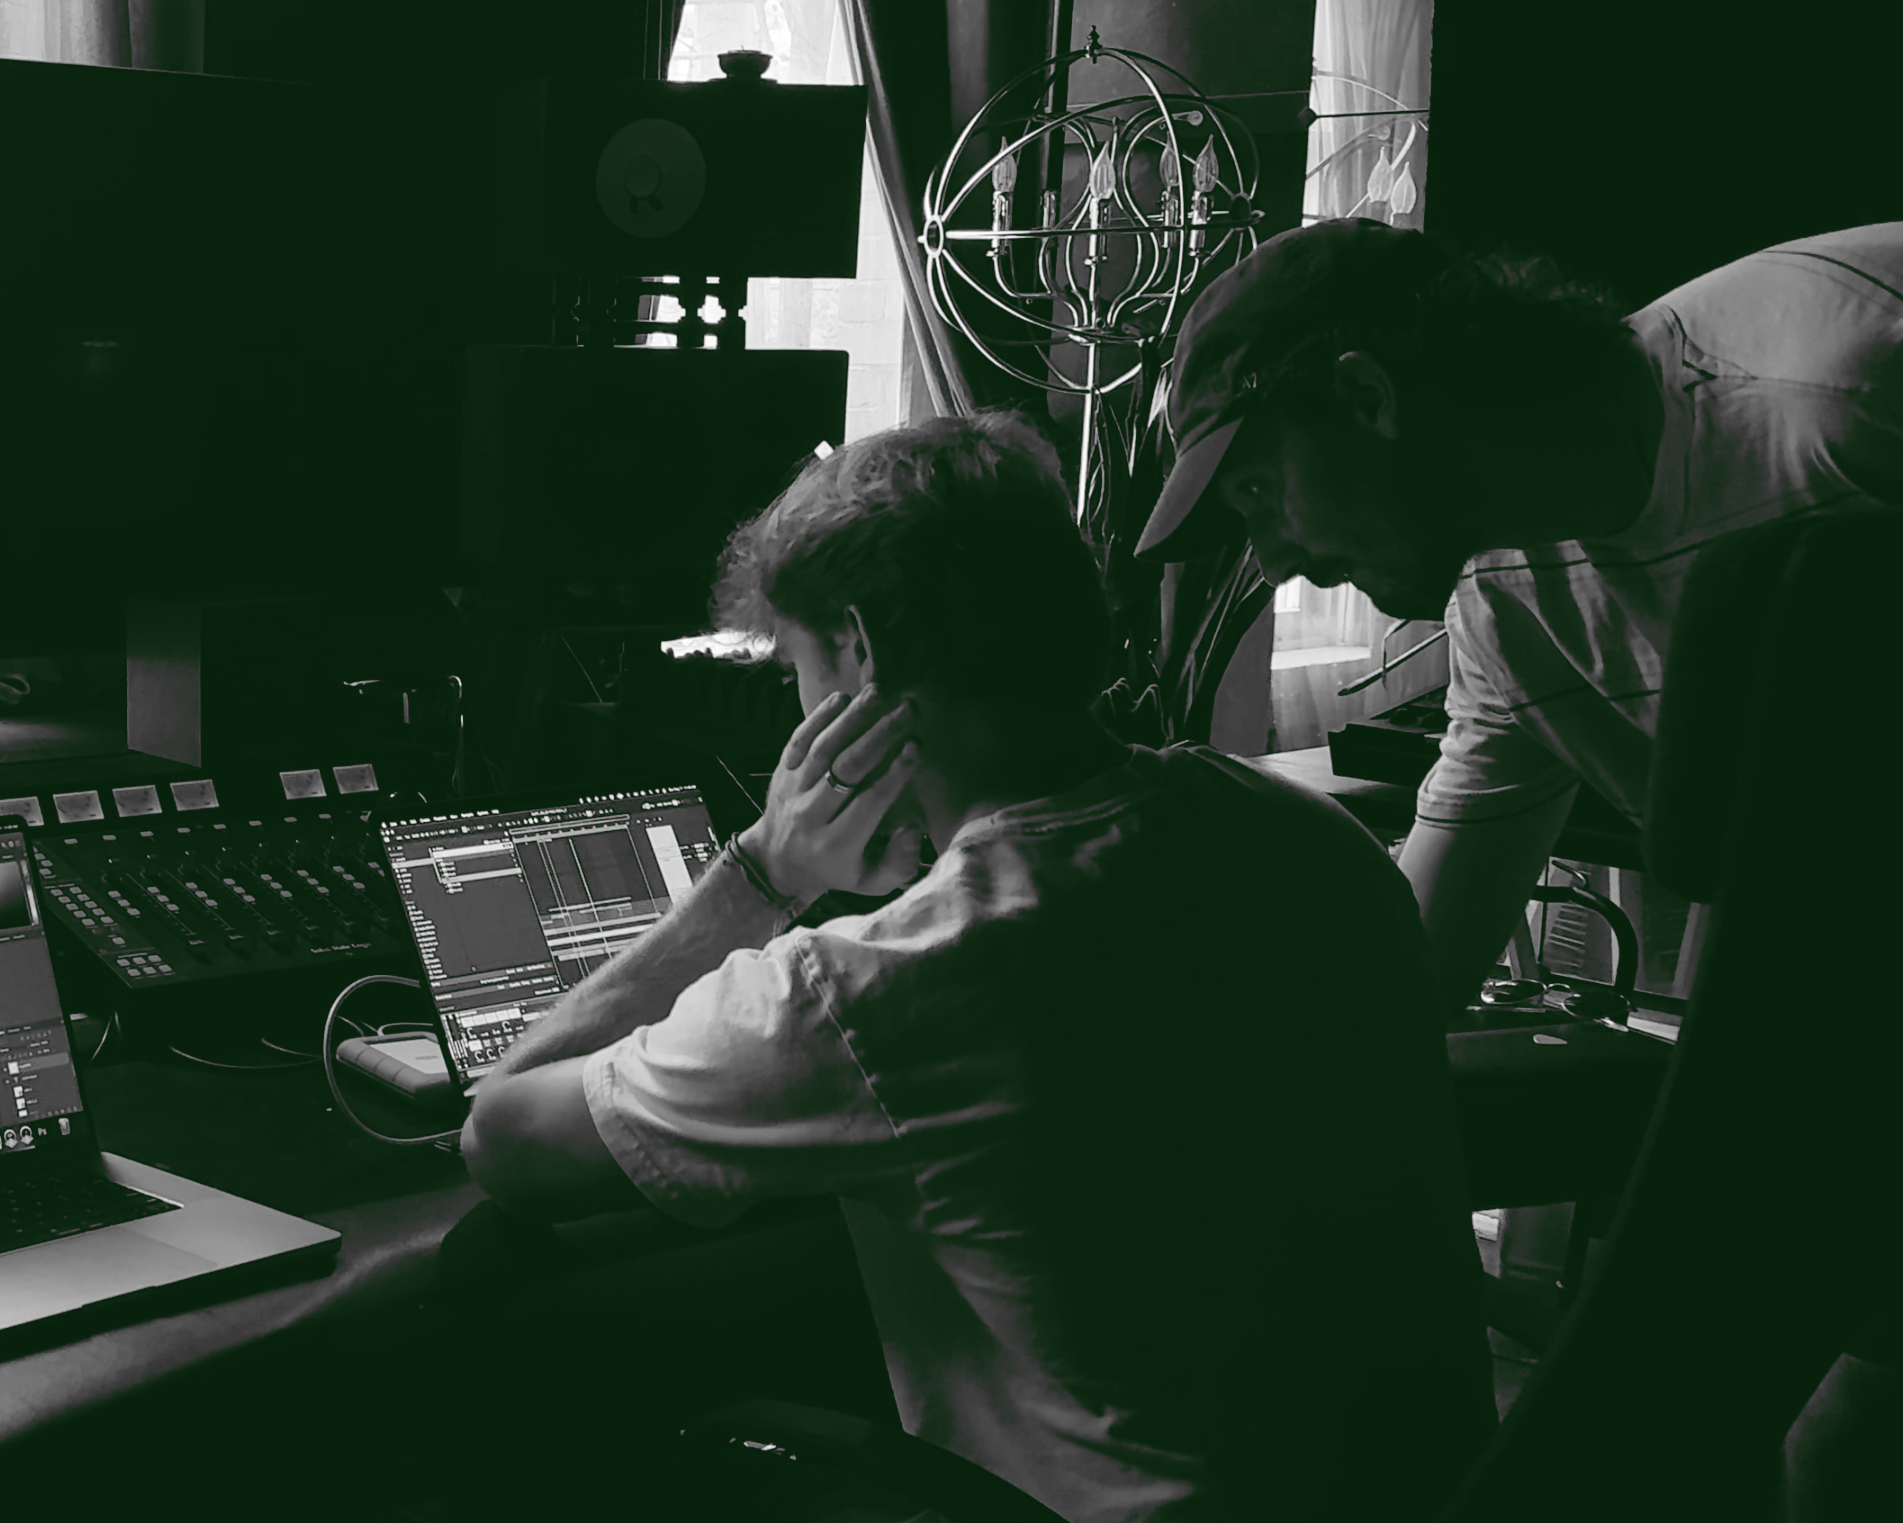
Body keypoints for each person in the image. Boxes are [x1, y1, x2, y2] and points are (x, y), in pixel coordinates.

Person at [460, 411, 1496, 1521]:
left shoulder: (872, 988)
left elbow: (503, 1138)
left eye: (800, 671)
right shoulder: (1309, 838)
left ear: (860, 654)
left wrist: (758, 874)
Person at [1135, 217, 1903, 1517]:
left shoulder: (1832, 404)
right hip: (1841, 980)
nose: (1270, 559)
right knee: (1815, 1433)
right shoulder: (1505, 597)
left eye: (1262, 491)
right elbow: (1420, 949)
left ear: (1366, 396)